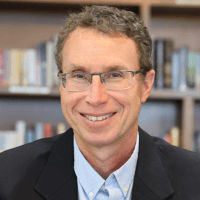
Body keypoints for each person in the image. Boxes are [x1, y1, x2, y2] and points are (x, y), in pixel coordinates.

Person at [0, 5, 200, 200]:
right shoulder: (6, 179)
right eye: (79, 76)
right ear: (61, 84)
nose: (95, 98)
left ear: (145, 86)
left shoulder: (195, 180)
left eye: (115, 75)